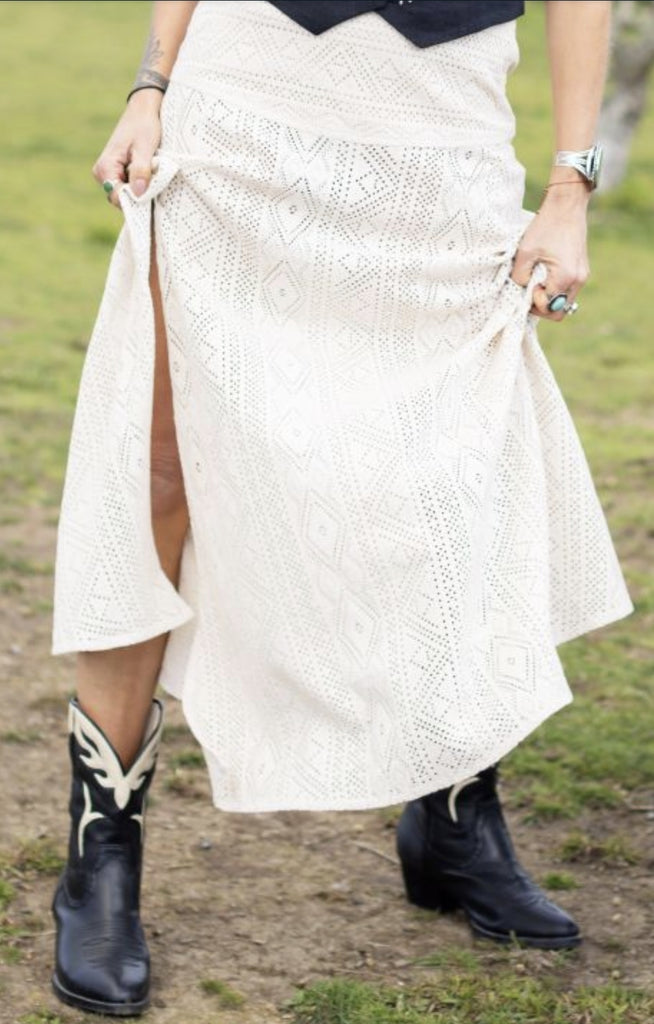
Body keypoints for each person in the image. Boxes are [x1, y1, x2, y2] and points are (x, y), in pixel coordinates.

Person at [50, 0, 633, 1016]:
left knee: (452, 466)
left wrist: (568, 185)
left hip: (441, 119)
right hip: (247, 97)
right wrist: (152, 83)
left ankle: (452, 813)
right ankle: (101, 856)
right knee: (163, 464)